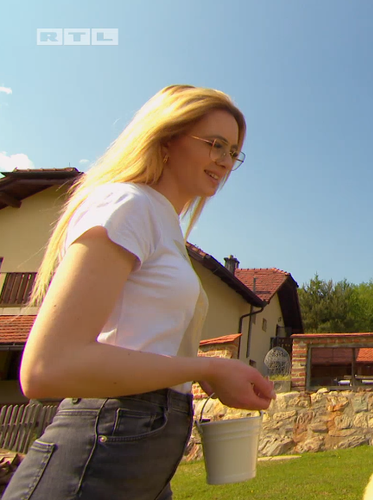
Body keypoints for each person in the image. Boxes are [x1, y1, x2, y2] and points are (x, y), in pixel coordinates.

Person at [2, 85, 276, 500]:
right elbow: (46, 368)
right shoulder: (127, 205)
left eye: (233, 152)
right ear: (167, 139)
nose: (224, 160)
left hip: (141, 459)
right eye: (215, 144)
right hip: (95, 456)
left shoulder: (165, 226)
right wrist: (206, 369)